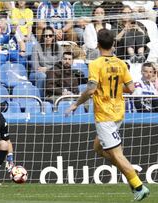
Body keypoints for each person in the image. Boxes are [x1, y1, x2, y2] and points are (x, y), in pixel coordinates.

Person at [65, 29, 150, 201]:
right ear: (113, 44)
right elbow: (132, 88)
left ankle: (138, 186)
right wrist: (116, 88)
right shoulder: (120, 63)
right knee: (98, 147)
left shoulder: (96, 64)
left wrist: (75, 104)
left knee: (116, 155)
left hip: (105, 116)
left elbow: (90, 90)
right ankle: (126, 167)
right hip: (119, 113)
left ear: (97, 44)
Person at [29, 26, 63, 97]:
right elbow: (35, 67)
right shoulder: (36, 47)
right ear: (43, 37)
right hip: (36, 73)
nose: (48, 37)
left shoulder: (59, 48)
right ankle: (41, 99)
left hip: (53, 73)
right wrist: (48, 70)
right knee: (42, 76)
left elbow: (60, 66)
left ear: (53, 37)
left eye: (50, 36)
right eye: (45, 35)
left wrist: (47, 69)